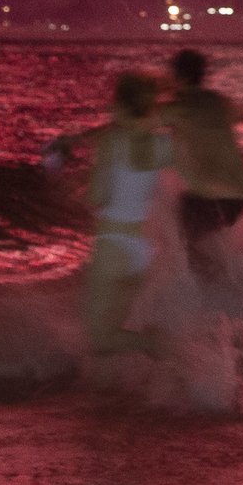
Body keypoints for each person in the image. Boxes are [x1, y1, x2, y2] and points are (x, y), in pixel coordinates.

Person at [79, 70, 178, 356]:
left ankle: (168, 349)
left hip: (112, 244)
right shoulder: (163, 144)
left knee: (100, 339)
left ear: (121, 104)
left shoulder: (113, 142)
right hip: (140, 250)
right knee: (112, 332)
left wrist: (81, 184)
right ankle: (168, 362)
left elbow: (96, 197)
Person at [167, 49, 243, 278]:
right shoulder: (217, 102)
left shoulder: (177, 108)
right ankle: (232, 277)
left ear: (178, 77)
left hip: (208, 195)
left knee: (184, 240)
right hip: (240, 195)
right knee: (201, 238)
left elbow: (134, 123)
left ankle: (213, 285)